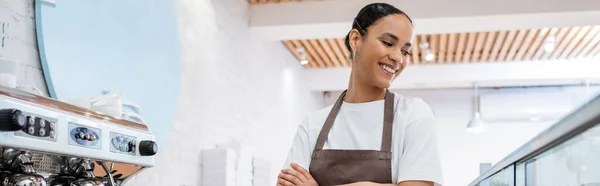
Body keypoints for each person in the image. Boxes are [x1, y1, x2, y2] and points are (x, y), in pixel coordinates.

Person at [277, 3, 443, 186]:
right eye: (388, 43)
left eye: (405, 51)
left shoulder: (413, 114)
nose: (398, 58)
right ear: (356, 39)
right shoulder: (312, 127)